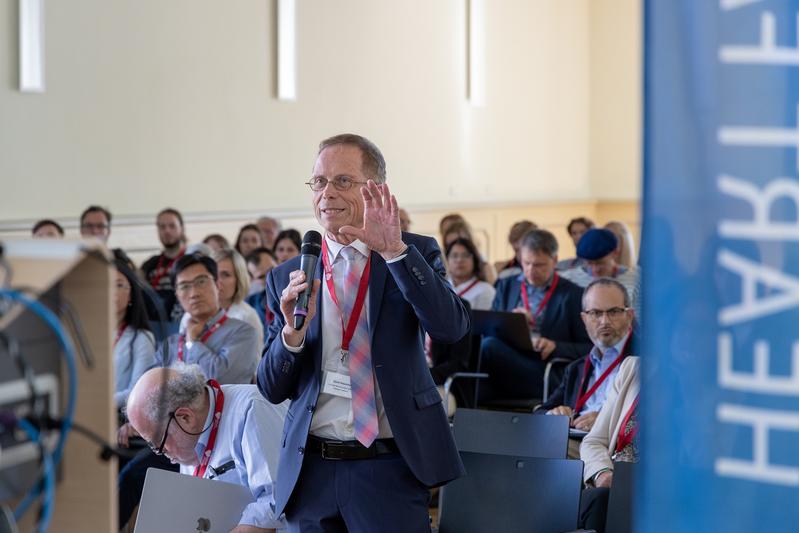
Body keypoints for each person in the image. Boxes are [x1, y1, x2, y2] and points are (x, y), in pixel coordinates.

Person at [257, 133, 468, 532]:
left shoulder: (413, 251)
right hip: (312, 469)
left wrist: (394, 253)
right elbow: (270, 388)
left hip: (387, 465)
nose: (326, 194)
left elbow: (450, 328)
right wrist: (291, 333)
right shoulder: (290, 274)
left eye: (342, 181)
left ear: (375, 190)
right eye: (318, 182)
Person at [125, 364, 288, 532]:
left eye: (158, 441)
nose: (160, 452)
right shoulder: (189, 437)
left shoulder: (251, 409)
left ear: (185, 417)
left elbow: (278, 500)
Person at [481, 229, 592, 401]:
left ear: (554, 260)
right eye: (526, 263)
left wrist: (555, 346)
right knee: (479, 349)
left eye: (539, 265)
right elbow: (487, 329)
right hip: (508, 358)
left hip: (546, 367)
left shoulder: (573, 294)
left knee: (488, 348)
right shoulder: (506, 286)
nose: (531, 270)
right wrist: (510, 323)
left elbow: (589, 347)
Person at [536, 278, 636, 458]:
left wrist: (606, 421)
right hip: (574, 441)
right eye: (596, 313)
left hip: (615, 448)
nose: (604, 321)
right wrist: (554, 414)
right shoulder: (576, 368)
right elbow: (541, 411)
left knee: (545, 449)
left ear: (629, 315)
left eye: (613, 312)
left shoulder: (645, 361)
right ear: (584, 319)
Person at [157, 253, 260, 385]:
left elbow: (219, 380)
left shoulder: (243, 332)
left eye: (201, 282)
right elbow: (152, 388)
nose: (194, 293)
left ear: (217, 285)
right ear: (177, 295)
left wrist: (193, 342)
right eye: (184, 286)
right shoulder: (170, 344)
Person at [578, 356, 641, 533]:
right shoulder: (633, 368)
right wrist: (602, 473)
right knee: (597, 498)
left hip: (661, 483)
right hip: (616, 479)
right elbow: (594, 441)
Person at [180, 249, 265, 350]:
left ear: (239, 279)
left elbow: (254, 362)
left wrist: (193, 342)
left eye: (225, 275)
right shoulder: (191, 314)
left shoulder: (247, 317)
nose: (218, 281)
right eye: (214, 274)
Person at [560, 228, 640, 310]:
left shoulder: (636, 280)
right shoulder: (568, 279)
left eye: (600, 263)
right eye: (589, 263)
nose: (595, 270)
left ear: (615, 253)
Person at [113, 259, 157, 407]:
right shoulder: (89, 334)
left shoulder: (141, 338)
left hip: (120, 415)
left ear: (131, 294)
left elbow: (138, 391)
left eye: (119, 285)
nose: (111, 291)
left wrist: (100, 403)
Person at [141, 208, 187, 322]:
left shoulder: (192, 261)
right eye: (162, 227)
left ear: (181, 228)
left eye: (172, 226)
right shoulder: (149, 265)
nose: (167, 231)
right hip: (155, 325)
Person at [445, 237, 495, 310]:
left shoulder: (486, 290)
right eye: (454, 255)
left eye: (465, 255)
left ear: (474, 260)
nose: (459, 260)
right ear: (447, 260)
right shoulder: (440, 287)